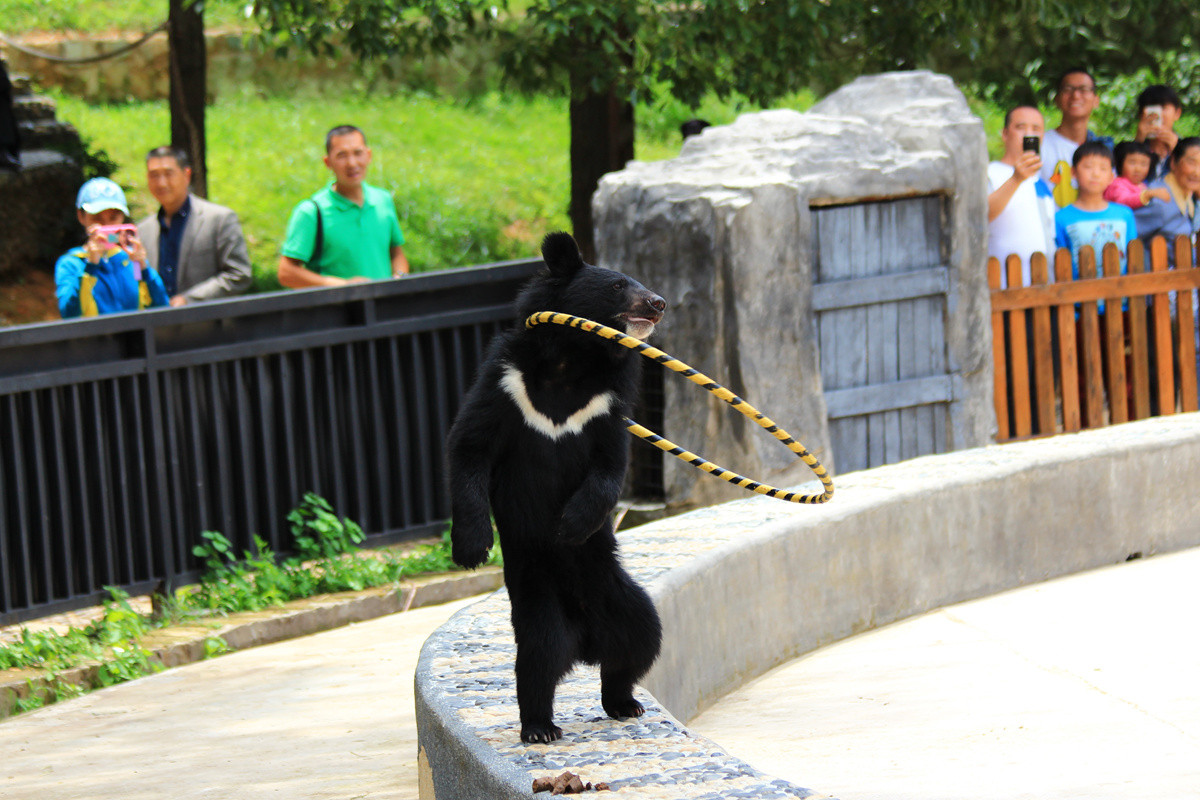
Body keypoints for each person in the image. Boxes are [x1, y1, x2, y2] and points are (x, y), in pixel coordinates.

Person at [277, 125, 409, 287]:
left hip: (383, 308)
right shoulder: (311, 212)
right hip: (335, 310)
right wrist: (343, 286)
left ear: (369, 155)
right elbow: (286, 273)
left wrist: (400, 278)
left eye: (358, 153)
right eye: (341, 156)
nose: (352, 163)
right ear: (327, 162)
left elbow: (396, 253)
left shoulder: (383, 200)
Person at [135, 146, 252, 307]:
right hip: (157, 329)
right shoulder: (141, 230)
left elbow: (239, 274)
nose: (161, 183)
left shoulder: (219, 220)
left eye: (169, 174)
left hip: (209, 326)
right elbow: (137, 278)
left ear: (186, 175)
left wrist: (189, 300)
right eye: (154, 175)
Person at [56, 177, 170, 318]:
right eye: (97, 218)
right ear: (81, 216)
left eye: (113, 218)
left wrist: (143, 269)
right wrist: (91, 266)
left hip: (133, 338)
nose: (106, 227)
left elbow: (161, 308)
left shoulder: (131, 259)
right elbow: (69, 314)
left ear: (122, 218)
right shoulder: (72, 264)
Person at [987, 106, 1057, 287]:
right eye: (1020, 127)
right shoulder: (989, 173)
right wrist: (1016, 179)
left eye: (1036, 129)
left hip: (1045, 286)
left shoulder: (1040, 182)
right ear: (1005, 134)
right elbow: (982, 215)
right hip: (1003, 286)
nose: (1028, 134)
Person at [1055, 141, 1136, 279]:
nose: (1096, 174)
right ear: (1073, 172)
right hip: (1079, 297)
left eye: (1103, 168)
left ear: (1111, 177)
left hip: (1121, 297)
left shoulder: (1125, 215)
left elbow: (1133, 257)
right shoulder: (1061, 218)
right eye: (1088, 167)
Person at [1039, 68, 1115, 209]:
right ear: (1057, 99)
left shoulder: (1104, 149)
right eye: (1068, 89)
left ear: (1096, 100)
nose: (1075, 95)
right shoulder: (1041, 145)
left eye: (1084, 89)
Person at [1133, 136, 1200, 258]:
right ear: (1173, 163)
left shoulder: (1188, 196)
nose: (1197, 172)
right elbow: (1129, 237)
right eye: (1191, 162)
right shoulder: (1159, 200)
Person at [1134, 85, 1182, 182]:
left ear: (1177, 113)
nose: (1157, 115)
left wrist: (1178, 151)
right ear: (1141, 114)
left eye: (1163, 108)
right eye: (1152, 108)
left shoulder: (1191, 148)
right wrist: (1138, 142)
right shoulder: (1129, 149)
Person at [1104, 140, 1171, 210]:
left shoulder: (1142, 185)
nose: (1138, 169)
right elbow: (1124, 200)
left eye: (1143, 164)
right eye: (1132, 163)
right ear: (1120, 164)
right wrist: (1148, 194)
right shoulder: (1117, 184)